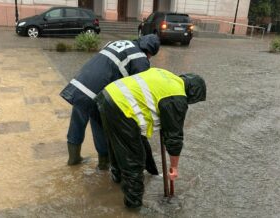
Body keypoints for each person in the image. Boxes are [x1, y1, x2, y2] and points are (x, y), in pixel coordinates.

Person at [95, 67, 206, 208]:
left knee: (117, 147)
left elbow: (152, 98)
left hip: (107, 96)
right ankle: (132, 207)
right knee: (134, 162)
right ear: (192, 94)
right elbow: (174, 138)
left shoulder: (167, 75)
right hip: (122, 107)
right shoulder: (176, 97)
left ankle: (116, 180)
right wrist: (174, 167)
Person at [60, 34, 160, 169]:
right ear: (150, 51)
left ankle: (73, 159)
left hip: (79, 84)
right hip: (97, 93)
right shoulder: (140, 59)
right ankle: (103, 163)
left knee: (77, 122)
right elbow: (139, 89)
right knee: (100, 126)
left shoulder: (118, 42)